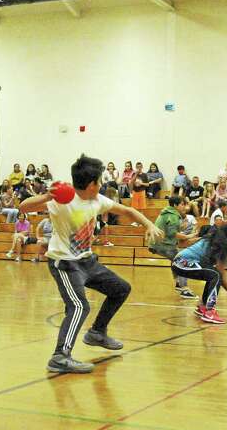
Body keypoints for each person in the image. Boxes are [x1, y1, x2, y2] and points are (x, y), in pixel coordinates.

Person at [20, 154, 162, 374]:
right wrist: (47, 194)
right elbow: (24, 207)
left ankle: (97, 333)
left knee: (121, 289)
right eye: (100, 181)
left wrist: (149, 225)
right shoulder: (61, 201)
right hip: (65, 263)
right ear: (91, 184)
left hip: (87, 261)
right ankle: (60, 357)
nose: (103, 184)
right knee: (78, 306)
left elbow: (128, 211)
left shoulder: (97, 200)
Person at [171, 224, 227, 325]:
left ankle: (203, 307)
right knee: (215, 275)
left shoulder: (211, 240)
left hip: (178, 262)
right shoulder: (221, 247)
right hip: (183, 263)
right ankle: (210, 311)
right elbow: (222, 278)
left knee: (213, 274)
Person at [149, 196, 199, 298]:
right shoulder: (172, 215)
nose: (184, 206)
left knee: (175, 260)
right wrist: (188, 236)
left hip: (158, 244)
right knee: (182, 260)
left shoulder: (169, 213)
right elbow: (172, 233)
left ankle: (178, 284)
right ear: (175, 205)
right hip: (162, 245)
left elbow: (169, 227)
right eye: (182, 204)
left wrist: (182, 227)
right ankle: (184, 289)